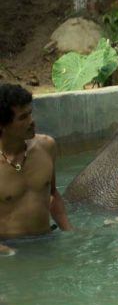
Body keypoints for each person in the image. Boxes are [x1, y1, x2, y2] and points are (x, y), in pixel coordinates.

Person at [1, 83, 73, 254]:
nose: (31, 122)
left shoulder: (47, 146)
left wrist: (69, 232)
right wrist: (6, 251)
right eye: (22, 118)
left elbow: (52, 194)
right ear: (2, 125)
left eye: (30, 114)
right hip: (9, 248)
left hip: (46, 240)